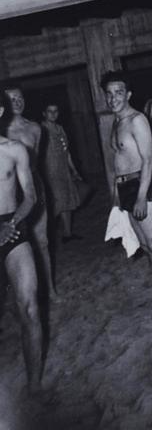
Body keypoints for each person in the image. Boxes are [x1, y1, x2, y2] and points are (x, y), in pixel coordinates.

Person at [101, 71, 152, 314]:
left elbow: (148, 160)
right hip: (126, 187)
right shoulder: (117, 122)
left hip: (143, 186)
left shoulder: (137, 120)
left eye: (118, 93)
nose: (113, 98)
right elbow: (118, 161)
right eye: (109, 94)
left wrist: (140, 196)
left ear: (127, 94)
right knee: (146, 246)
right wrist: (117, 195)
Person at [0, 91, 43, 392]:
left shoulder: (15, 150)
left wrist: (11, 224)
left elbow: (31, 196)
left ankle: (34, 385)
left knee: (29, 308)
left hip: (12, 228)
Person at [4, 84, 56, 297]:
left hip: (33, 187)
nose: (17, 102)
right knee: (15, 242)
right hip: (9, 193)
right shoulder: (2, 131)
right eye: (11, 99)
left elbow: (36, 163)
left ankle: (50, 290)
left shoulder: (36, 128)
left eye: (20, 98)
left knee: (42, 241)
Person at [40, 102, 82, 242]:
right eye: (49, 111)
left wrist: (74, 170)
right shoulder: (41, 130)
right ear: (44, 113)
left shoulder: (60, 129)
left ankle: (67, 234)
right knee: (55, 204)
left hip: (63, 170)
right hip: (50, 172)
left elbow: (67, 151)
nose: (53, 114)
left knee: (68, 201)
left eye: (55, 111)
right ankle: (46, 237)